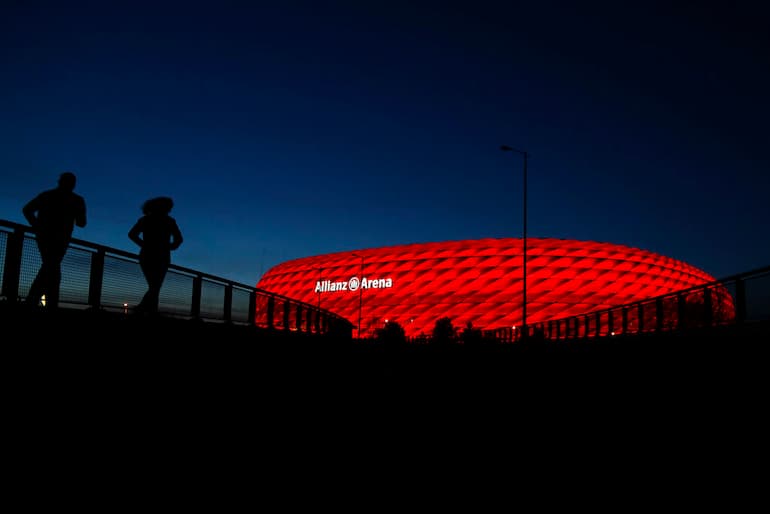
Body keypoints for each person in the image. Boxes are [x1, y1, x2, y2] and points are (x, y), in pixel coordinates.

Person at [23, 171, 87, 308]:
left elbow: (27, 210)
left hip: (44, 237)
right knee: (51, 267)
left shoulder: (47, 195)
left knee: (50, 267)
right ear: (73, 184)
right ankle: (39, 301)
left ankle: (36, 300)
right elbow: (81, 223)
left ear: (59, 181)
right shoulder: (77, 200)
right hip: (61, 239)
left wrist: (36, 226)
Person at [128, 196, 183, 314]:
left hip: (147, 255)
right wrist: (170, 247)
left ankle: (145, 310)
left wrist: (144, 245)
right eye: (169, 207)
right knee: (156, 286)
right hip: (161, 256)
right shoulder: (169, 221)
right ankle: (146, 310)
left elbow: (132, 234)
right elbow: (179, 239)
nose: (170, 209)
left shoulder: (145, 220)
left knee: (155, 286)